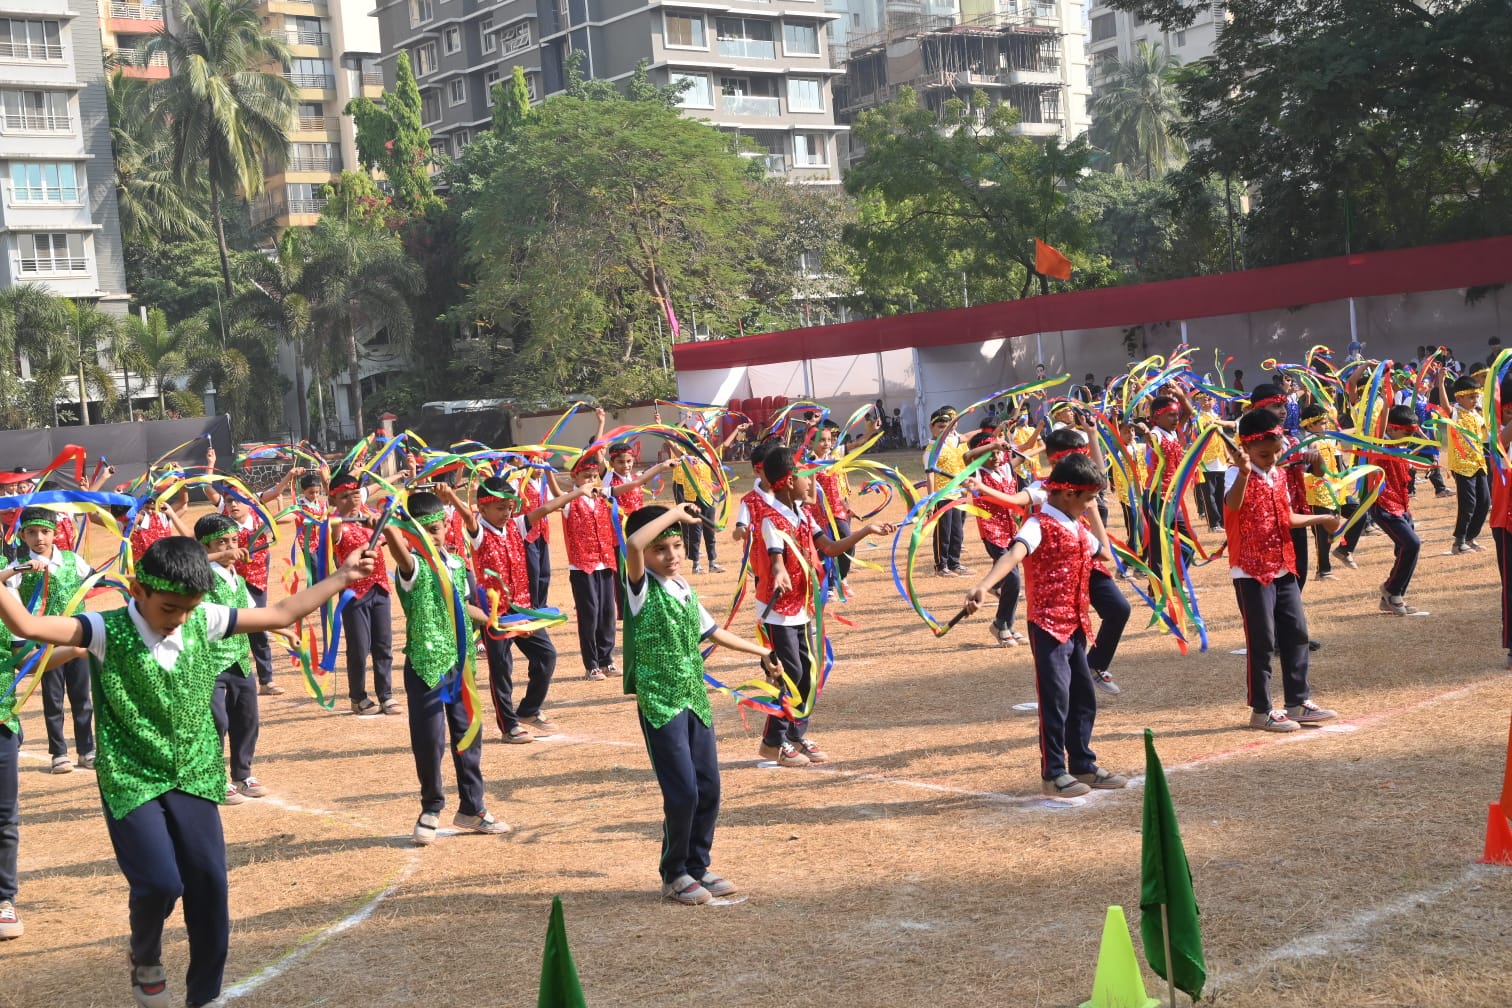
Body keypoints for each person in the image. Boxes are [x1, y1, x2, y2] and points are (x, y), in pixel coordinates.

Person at [0, 535, 375, 1008]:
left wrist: (342, 576)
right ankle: (145, 955)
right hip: (132, 777)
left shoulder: (205, 619)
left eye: (188, 608)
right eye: (169, 608)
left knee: (209, 886)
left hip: (195, 773)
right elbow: (28, 625)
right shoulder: (101, 629)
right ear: (138, 590)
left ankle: (204, 995)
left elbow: (281, 613)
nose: (179, 618)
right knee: (160, 883)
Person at [622, 503, 778, 905]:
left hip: (694, 697)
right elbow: (634, 544)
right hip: (661, 703)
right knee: (683, 793)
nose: (672, 555)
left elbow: (713, 632)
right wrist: (676, 511)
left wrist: (762, 651)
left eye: (677, 546)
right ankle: (674, 873)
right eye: (661, 549)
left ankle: (697, 864)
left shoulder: (683, 588)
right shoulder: (640, 588)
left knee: (708, 787)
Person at [963, 453, 1127, 798]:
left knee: (1083, 698)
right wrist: (984, 585)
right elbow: (1013, 554)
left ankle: (1082, 764)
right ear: (1068, 494)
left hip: (1076, 624)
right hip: (1048, 625)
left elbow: (1104, 555)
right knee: (1056, 699)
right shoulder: (1038, 524)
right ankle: (1053, 773)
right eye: (1088, 498)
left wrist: (1093, 519)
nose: (1091, 505)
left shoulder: (1076, 525)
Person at [746, 447, 895, 766]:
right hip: (777, 611)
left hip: (801, 606)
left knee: (809, 674)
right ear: (789, 481)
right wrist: (779, 572)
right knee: (791, 674)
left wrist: (866, 530)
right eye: (805, 476)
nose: (811, 481)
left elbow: (829, 548)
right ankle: (773, 743)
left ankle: (795, 735)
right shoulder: (772, 519)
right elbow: (775, 557)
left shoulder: (803, 514)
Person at [380, 491, 511, 846]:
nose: (433, 537)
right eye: (424, 532)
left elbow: (462, 606)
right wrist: (389, 525)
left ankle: (472, 807)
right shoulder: (412, 566)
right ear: (411, 534)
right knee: (430, 741)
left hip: (460, 665)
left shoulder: (456, 565)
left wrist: (494, 620)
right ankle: (431, 807)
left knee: (468, 736)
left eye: (437, 529)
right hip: (425, 665)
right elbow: (398, 550)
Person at [1224, 410, 1343, 732]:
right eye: (1264, 454)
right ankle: (1261, 710)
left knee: (1296, 632)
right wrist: (1244, 472)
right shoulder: (1234, 475)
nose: (1272, 459)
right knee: (1262, 641)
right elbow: (1233, 505)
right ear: (1245, 449)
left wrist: (1322, 518)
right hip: (1251, 571)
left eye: (1276, 452)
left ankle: (1297, 702)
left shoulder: (1277, 475)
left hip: (1283, 565)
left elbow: (1286, 517)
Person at [439, 475, 577, 742]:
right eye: (500, 508)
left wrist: (579, 492)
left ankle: (529, 710)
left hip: (522, 610)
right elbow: (466, 515)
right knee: (502, 669)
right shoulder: (478, 532)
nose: (506, 513)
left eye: (509, 507)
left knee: (546, 656)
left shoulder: (517, 525)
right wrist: (452, 497)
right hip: (494, 614)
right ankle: (508, 726)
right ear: (483, 508)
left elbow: (546, 508)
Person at [0, 611, 86, 940]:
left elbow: (29, 661)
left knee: (4, 819)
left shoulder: (5, 607)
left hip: (2, 726)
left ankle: (3, 900)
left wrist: (75, 649)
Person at [1, 507, 94, 773]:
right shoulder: (18, 567)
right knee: (53, 699)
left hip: (77, 637)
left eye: (45, 532)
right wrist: (21, 568)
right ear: (22, 536)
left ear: (55, 533)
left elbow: (96, 579)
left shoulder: (72, 560)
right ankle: (59, 753)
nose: (39, 538)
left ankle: (87, 750)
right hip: (43, 642)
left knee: (82, 698)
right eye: (31, 533)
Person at [193, 514, 268, 805]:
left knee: (247, 718)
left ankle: (243, 773)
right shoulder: (200, 576)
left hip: (239, 659)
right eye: (221, 542)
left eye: (234, 540)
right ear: (205, 547)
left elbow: (251, 613)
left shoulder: (237, 577)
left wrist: (282, 628)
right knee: (216, 720)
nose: (231, 547)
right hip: (209, 663)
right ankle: (214, 777)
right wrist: (219, 556)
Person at [329, 471, 397, 715]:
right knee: (359, 647)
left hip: (380, 588)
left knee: (383, 645)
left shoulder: (370, 517)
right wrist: (343, 511)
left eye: (355, 494)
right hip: (353, 594)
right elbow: (335, 533)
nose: (352, 499)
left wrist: (383, 525)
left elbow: (391, 539)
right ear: (334, 499)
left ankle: (386, 695)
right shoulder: (336, 524)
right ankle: (358, 697)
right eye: (344, 496)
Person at [560, 454, 622, 680]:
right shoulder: (569, 501)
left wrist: (661, 468)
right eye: (586, 476)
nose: (591, 480)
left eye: (595, 476)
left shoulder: (601, 498)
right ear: (574, 477)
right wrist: (548, 473)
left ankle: (607, 660)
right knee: (590, 615)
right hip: (582, 567)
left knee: (607, 613)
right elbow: (557, 496)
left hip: (605, 562)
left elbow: (630, 486)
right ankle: (592, 664)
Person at [962, 431, 1025, 646]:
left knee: (1011, 581)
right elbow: (967, 456)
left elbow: (1023, 454)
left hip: (1012, 531)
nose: (996, 457)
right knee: (1014, 579)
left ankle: (1008, 624)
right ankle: (1000, 624)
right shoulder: (976, 474)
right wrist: (993, 446)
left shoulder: (1006, 468)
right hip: (992, 533)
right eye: (990, 454)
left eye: (998, 454)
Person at [1437, 373, 1490, 553]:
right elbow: (1444, 406)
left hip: (1479, 463)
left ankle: (1470, 537)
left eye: (1476, 396)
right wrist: (1441, 383)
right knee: (1468, 504)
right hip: (1462, 465)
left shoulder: (1477, 414)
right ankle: (1459, 542)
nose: (1475, 400)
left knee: (1484, 502)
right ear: (1459, 398)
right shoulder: (1455, 412)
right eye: (1471, 397)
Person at [807, 421, 856, 593]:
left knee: (848, 541)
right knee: (823, 549)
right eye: (822, 440)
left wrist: (846, 506)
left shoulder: (832, 461)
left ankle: (841, 578)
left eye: (828, 440)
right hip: (817, 513)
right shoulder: (808, 463)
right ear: (811, 442)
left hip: (836, 510)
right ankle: (826, 585)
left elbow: (836, 489)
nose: (827, 443)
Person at [1298, 405, 1343, 580]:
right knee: (1322, 533)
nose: (1326, 425)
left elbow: (1338, 461)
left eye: (1326, 422)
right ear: (1310, 426)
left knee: (1355, 513)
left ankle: (1345, 549)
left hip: (1333, 489)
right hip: (1316, 492)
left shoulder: (1329, 439)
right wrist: (1312, 450)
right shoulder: (1308, 442)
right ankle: (1323, 570)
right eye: (1322, 423)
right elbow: (1311, 453)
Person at [925, 406, 970, 577]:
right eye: (940, 427)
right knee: (943, 532)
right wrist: (931, 500)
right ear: (932, 427)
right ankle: (941, 565)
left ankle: (954, 563)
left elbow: (967, 437)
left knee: (956, 531)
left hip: (956, 493)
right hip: (941, 496)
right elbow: (930, 476)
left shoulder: (951, 442)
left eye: (946, 427)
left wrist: (988, 430)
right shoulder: (930, 451)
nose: (943, 431)